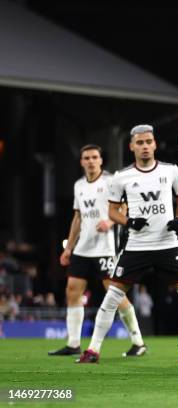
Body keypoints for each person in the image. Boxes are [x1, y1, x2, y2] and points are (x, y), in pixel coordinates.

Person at [77, 125, 178, 363]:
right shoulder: (121, 177)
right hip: (136, 246)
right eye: (140, 143)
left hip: (168, 243)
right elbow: (112, 211)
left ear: (154, 144)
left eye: (148, 142)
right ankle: (93, 350)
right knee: (112, 297)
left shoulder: (170, 171)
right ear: (131, 146)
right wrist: (129, 221)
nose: (145, 147)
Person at [49, 144, 145, 357]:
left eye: (94, 157)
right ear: (82, 161)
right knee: (72, 291)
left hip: (105, 248)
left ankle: (138, 342)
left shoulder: (111, 181)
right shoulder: (79, 185)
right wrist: (69, 248)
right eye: (87, 157)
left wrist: (111, 223)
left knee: (115, 294)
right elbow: (77, 217)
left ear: (101, 160)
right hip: (83, 248)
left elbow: (125, 206)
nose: (91, 161)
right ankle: (73, 343)